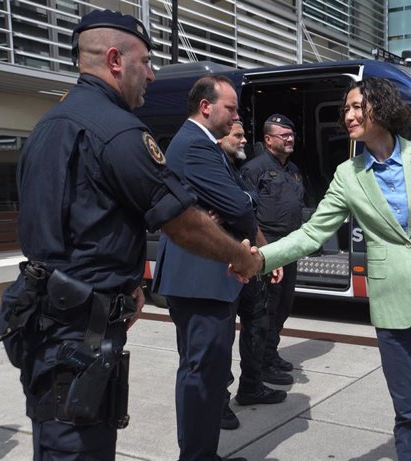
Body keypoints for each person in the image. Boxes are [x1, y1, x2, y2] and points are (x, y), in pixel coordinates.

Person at [0, 10, 258, 461]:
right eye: (147, 62)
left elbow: (80, 226)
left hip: (48, 317)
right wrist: (243, 256)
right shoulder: (117, 132)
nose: (152, 75)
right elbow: (183, 222)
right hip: (79, 333)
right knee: (78, 447)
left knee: (56, 438)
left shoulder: (48, 125)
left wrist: (129, 284)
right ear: (116, 59)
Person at [252, 78, 411, 461]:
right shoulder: (348, 174)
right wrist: (262, 258)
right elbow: (312, 233)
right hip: (393, 298)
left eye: (358, 106)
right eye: (346, 108)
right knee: (408, 410)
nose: (349, 115)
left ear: (384, 107)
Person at [151, 77, 281, 460]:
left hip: (204, 277)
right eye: (232, 108)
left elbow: (241, 198)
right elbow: (241, 204)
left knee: (205, 372)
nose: (237, 116)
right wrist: (236, 203)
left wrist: (235, 203)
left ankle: (202, 453)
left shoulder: (204, 146)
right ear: (206, 107)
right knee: (201, 373)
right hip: (199, 278)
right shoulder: (195, 146)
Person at [216, 121, 287, 431]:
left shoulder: (234, 168)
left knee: (257, 322)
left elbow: (246, 215)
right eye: (237, 134)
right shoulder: (210, 166)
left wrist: (267, 254)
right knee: (221, 337)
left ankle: (251, 386)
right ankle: (217, 403)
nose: (245, 139)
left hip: (250, 261)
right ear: (220, 137)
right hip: (223, 265)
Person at [240, 113, 306, 385]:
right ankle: (261, 365)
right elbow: (246, 213)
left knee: (283, 306)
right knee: (264, 309)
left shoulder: (293, 170)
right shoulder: (254, 169)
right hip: (267, 249)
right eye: (284, 135)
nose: (290, 138)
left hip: (289, 248)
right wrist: (260, 250)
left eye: (291, 134)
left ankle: (271, 353)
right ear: (268, 140)